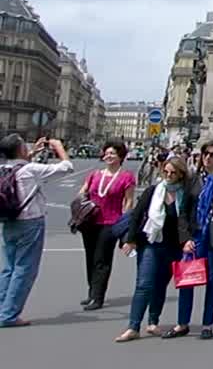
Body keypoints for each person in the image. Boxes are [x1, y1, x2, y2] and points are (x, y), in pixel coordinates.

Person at [165, 140, 213, 340]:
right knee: (187, 279)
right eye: (205, 153)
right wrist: (185, 239)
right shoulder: (192, 179)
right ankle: (182, 323)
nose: (208, 157)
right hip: (197, 233)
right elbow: (183, 211)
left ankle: (207, 324)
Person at [116, 158, 195, 342]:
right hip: (150, 243)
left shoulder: (186, 195)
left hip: (174, 246)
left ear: (181, 174)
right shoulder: (153, 191)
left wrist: (188, 240)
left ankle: (153, 322)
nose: (168, 176)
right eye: (165, 172)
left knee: (160, 285)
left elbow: (189, 221)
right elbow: (136, 215)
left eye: (173, 173)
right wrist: (131, 240)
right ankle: (133, 327)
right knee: (144, 284)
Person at [0, 135, 73, 327]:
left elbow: (19, 168)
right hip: (30, 222)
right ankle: (9, 315)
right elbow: (67, 168)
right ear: (21, 150)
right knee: (24, 269)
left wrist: (32, 153)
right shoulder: (30, 169)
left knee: (8, 268)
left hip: (8, 222)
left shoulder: (3, 168)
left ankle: (2, 308)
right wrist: (59, 147)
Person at [76, 140, 137, 311]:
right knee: (90, 257)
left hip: (111, 223)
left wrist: (125, 223)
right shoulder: (94, 174)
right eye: (107, 153)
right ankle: (91, 292)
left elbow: (129, 201)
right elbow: (83, 192)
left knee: (102, 260)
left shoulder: (127, 177)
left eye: (113, 153)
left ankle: (98, 297)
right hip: (90, 221)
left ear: (121, 157)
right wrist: (81, 200)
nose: (108, 156)